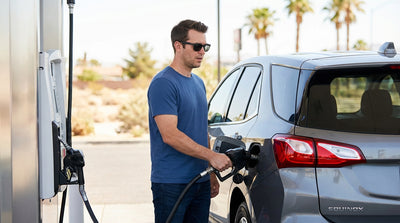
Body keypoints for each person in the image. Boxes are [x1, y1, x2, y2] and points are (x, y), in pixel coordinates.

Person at [147, 19, 232, 223]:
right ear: (178, 46)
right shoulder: (163, 83)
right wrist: (212, 156)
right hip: (172, 184)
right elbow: (170, 135)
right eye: (197, 46)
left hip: (201, 180)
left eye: (205, 47)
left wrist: (211, 172)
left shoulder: (198, 83)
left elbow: (203, 130)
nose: (202, 51)